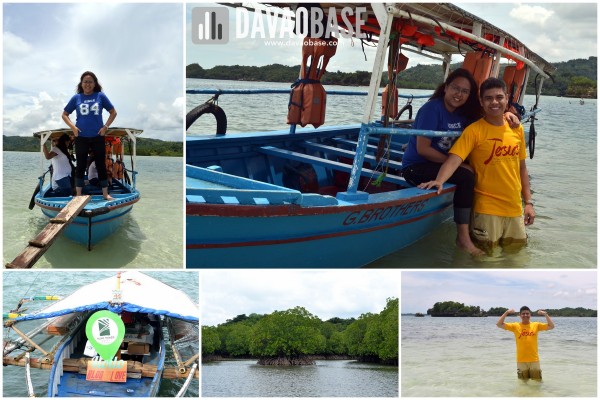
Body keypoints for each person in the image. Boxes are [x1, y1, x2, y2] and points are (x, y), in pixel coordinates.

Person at [402, 68, 518, 255]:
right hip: (416, 167)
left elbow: (489, 115)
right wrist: (459, 164)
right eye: (456, 88)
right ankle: (463, 238)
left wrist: (506, 115)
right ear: (446, 87)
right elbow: (423, 149)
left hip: (441, 163)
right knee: (466, 177)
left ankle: (483, 218)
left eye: (465, 91)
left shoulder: (462, 112)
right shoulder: (432, 109)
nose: (459, 94)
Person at [62, 71, 117, 200]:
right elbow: (64, 114)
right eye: (85, 81)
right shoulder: (76, 98)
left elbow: (113, 112)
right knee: (80, 165)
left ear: (94, 83)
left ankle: (105, 194)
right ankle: (79, 195)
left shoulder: (100, 96)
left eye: (90, 81)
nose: (87, 84)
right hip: (81, 137)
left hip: (98, 136)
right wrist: (73, 128)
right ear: (81, 84)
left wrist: (106, 127)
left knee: (100, 164)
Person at [496, 306, 554, 381]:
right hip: (521, 360)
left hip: (534, 359)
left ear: (530, 315)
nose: (525, 315)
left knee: (537, 382)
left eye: (527, 313)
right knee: (523, 383)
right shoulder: (515, 326)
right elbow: (499, 324)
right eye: (523, 314)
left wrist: (545, 314)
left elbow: (551, 326)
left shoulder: (536, 325)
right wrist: (507, 312)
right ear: (520, 315)